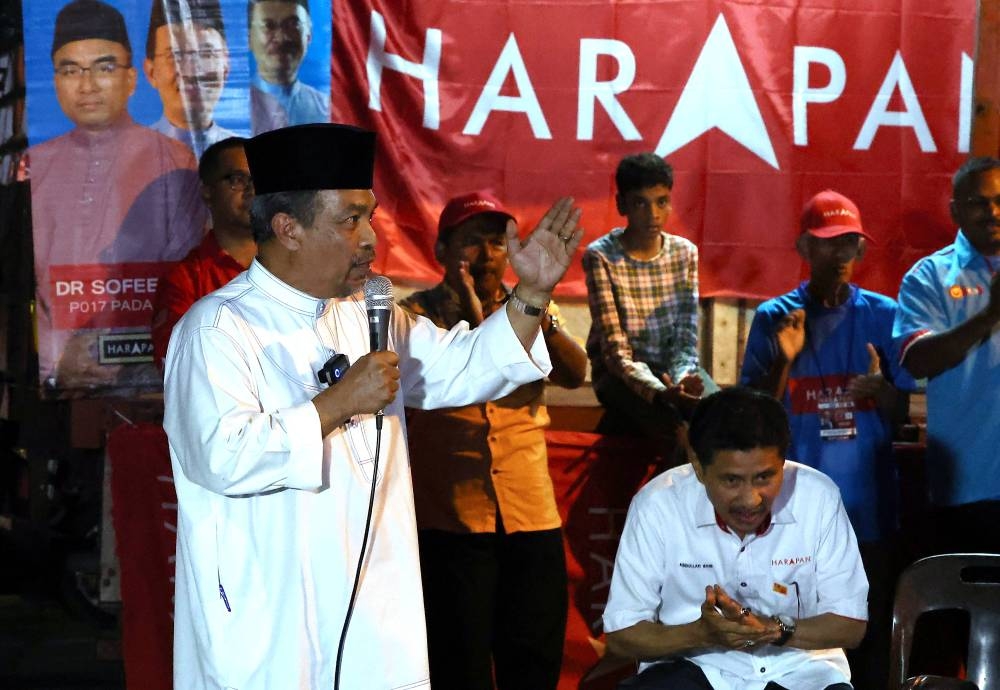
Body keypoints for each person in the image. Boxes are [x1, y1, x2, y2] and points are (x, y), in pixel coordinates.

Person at [162, 123, 583, 690]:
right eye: (349, 219)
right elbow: (219, 456)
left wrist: (531, 294)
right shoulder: (215, 328)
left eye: (371, 216)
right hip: (271, 622)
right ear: (287, 227)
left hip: (374, 617)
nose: (370, 239)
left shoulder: (367, 314)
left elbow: (464, 367)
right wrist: (337, 404)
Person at [401, 191, 588, 690]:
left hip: (529, 514)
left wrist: (535, 308)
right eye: (470, 243)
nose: (486, 256)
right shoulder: (412, 317)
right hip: (450, 519)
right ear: (441, 251)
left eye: (495, 243)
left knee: (533, 657)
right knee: (455, 661)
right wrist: (471, 316)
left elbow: (575, 371)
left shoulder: (528, 309)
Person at [740, 190, 916, 689]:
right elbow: (753, 422)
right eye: (827, 244)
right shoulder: (776, 317)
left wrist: (882, 391)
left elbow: (907, 411)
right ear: (803, 247)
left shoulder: (885, 315)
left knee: (870, 635)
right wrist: (784, 360)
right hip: (795, 516)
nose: (840, 256)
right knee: (796, 644)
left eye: (849, 245)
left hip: (869, 510)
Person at [603, 387, 868, 690]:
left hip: (801, 671)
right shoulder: (657, 504)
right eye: (732, 480)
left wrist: (771, 630)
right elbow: (621, 636)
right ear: (698, 466)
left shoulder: (819, 497)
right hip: (695, 666)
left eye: (764, 477)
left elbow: (850, 625)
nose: (751, 499)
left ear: (783, 462)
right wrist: (701, 634)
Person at [29, 0, 206, 390]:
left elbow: (186, 277)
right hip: (54, 378)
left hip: (153, 374)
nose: (87, 85)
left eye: (104, 67)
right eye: (70, 70)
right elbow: (26, 281)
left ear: (131, 78)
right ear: (55, 79)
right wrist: (58, 362)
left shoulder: (172, 159)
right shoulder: (33, 167)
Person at [894, 156, 1000, 554]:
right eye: (979, 202)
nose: (993, 212)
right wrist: (990, 316)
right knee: (967, 611)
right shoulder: (929, 277)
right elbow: (918, 361)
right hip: (967, 488)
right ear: (955, 210)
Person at [582, 152, 704, 456]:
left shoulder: (685, 253)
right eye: (640, 203)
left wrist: (681, 381)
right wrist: (663, 394)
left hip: (670, 374)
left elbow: (685, 340)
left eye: (661, 201)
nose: (653, 214)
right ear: (622, 205)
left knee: (719, 425)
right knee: (678, 439)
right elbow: (615, 353)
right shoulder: (601, 256)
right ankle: (656, 505)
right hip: (619, 377)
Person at [151, 137, 255, 366]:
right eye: (238, 179)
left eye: (259, 178)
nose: (252, 190)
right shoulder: (185, 281)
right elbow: (179, 364)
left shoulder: (295, 266)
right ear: (208, 192)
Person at [143, 0, 239, 159]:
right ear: (151, 72)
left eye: (206, 54)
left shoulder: (244, 156)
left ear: (226, 67)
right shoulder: (129, 157)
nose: (191, 71)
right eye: (175, 55)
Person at [248, 0, 328, 134]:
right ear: (249, 38)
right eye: (268, 26)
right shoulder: (234, 113)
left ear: (308, 36)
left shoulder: (326, 110)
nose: (281, 38)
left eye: (292, 25)